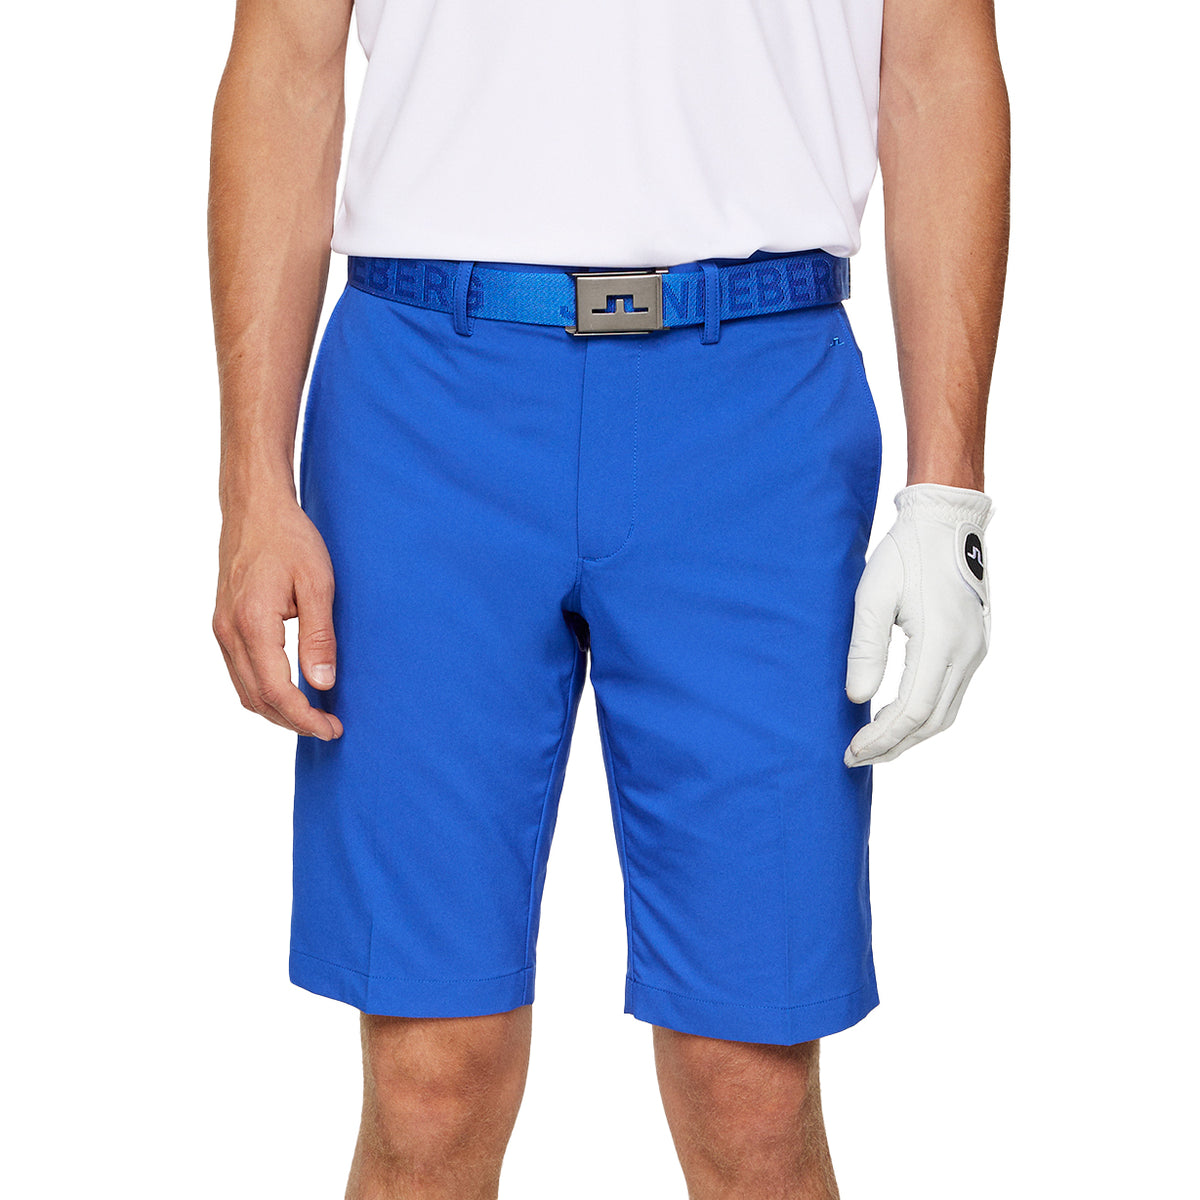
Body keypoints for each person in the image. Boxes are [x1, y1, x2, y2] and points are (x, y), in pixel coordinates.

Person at [208, 0, 1009, 1195]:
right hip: (426, 404)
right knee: (431, 1075)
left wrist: (950, 500)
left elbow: (938, 66)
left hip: (757, 404)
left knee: (750, 1084)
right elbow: (286, 59)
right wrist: (251, 484)